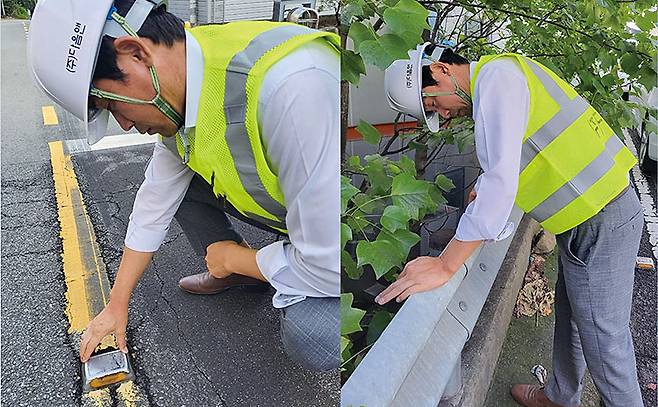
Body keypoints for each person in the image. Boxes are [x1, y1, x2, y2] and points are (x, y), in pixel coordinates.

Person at [28, 0, 340, 371]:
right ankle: (246, 273)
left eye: (112, 105)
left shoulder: (291, 91)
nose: (125, 125)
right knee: (182, 182)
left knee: (312, 336)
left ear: (135, 53)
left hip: (348, 239)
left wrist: (236, 258)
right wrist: (116, 304)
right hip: (300, 214)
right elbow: (154, 203)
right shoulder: (186, 82)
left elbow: (329, 267)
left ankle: (241, 267)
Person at [378, 43, 644, 406]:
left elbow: (501, 185)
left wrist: (445, 264)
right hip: (591, 216)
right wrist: (485, 187)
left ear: (440, 70)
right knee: (574, 318)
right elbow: (519, 163)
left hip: (601, 221)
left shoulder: (496, 80)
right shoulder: (504, 74)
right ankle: (559, 397)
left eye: (432, 103)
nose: (442, 113)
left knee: (606, 344)